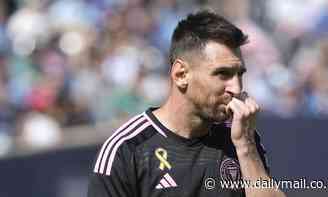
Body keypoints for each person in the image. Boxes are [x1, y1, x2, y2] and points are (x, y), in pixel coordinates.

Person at [88, 10, 286, 197]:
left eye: (239, 74)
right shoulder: (127, 150)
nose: (236, 88)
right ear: (181, 75)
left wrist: (246, 146)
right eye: (222, 74)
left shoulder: (240, 138)